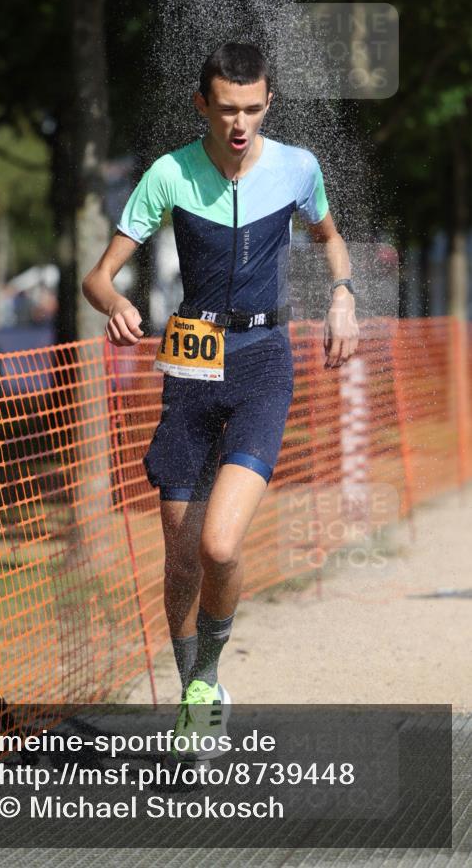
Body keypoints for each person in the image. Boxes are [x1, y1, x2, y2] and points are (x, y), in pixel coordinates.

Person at [82, 43, 359, 761]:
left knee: (218, 544)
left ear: (267, 103)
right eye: (226, 108)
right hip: (189, 360)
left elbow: (330, 241)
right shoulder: (168, 173)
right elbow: (99, 275)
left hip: (265, 359)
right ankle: (192, 702)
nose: (240, 123)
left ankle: (206, 681)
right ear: (201, 105)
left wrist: (341, 296)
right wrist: (112, 301)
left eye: (253, 107)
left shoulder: (297, 167)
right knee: (179, 558)